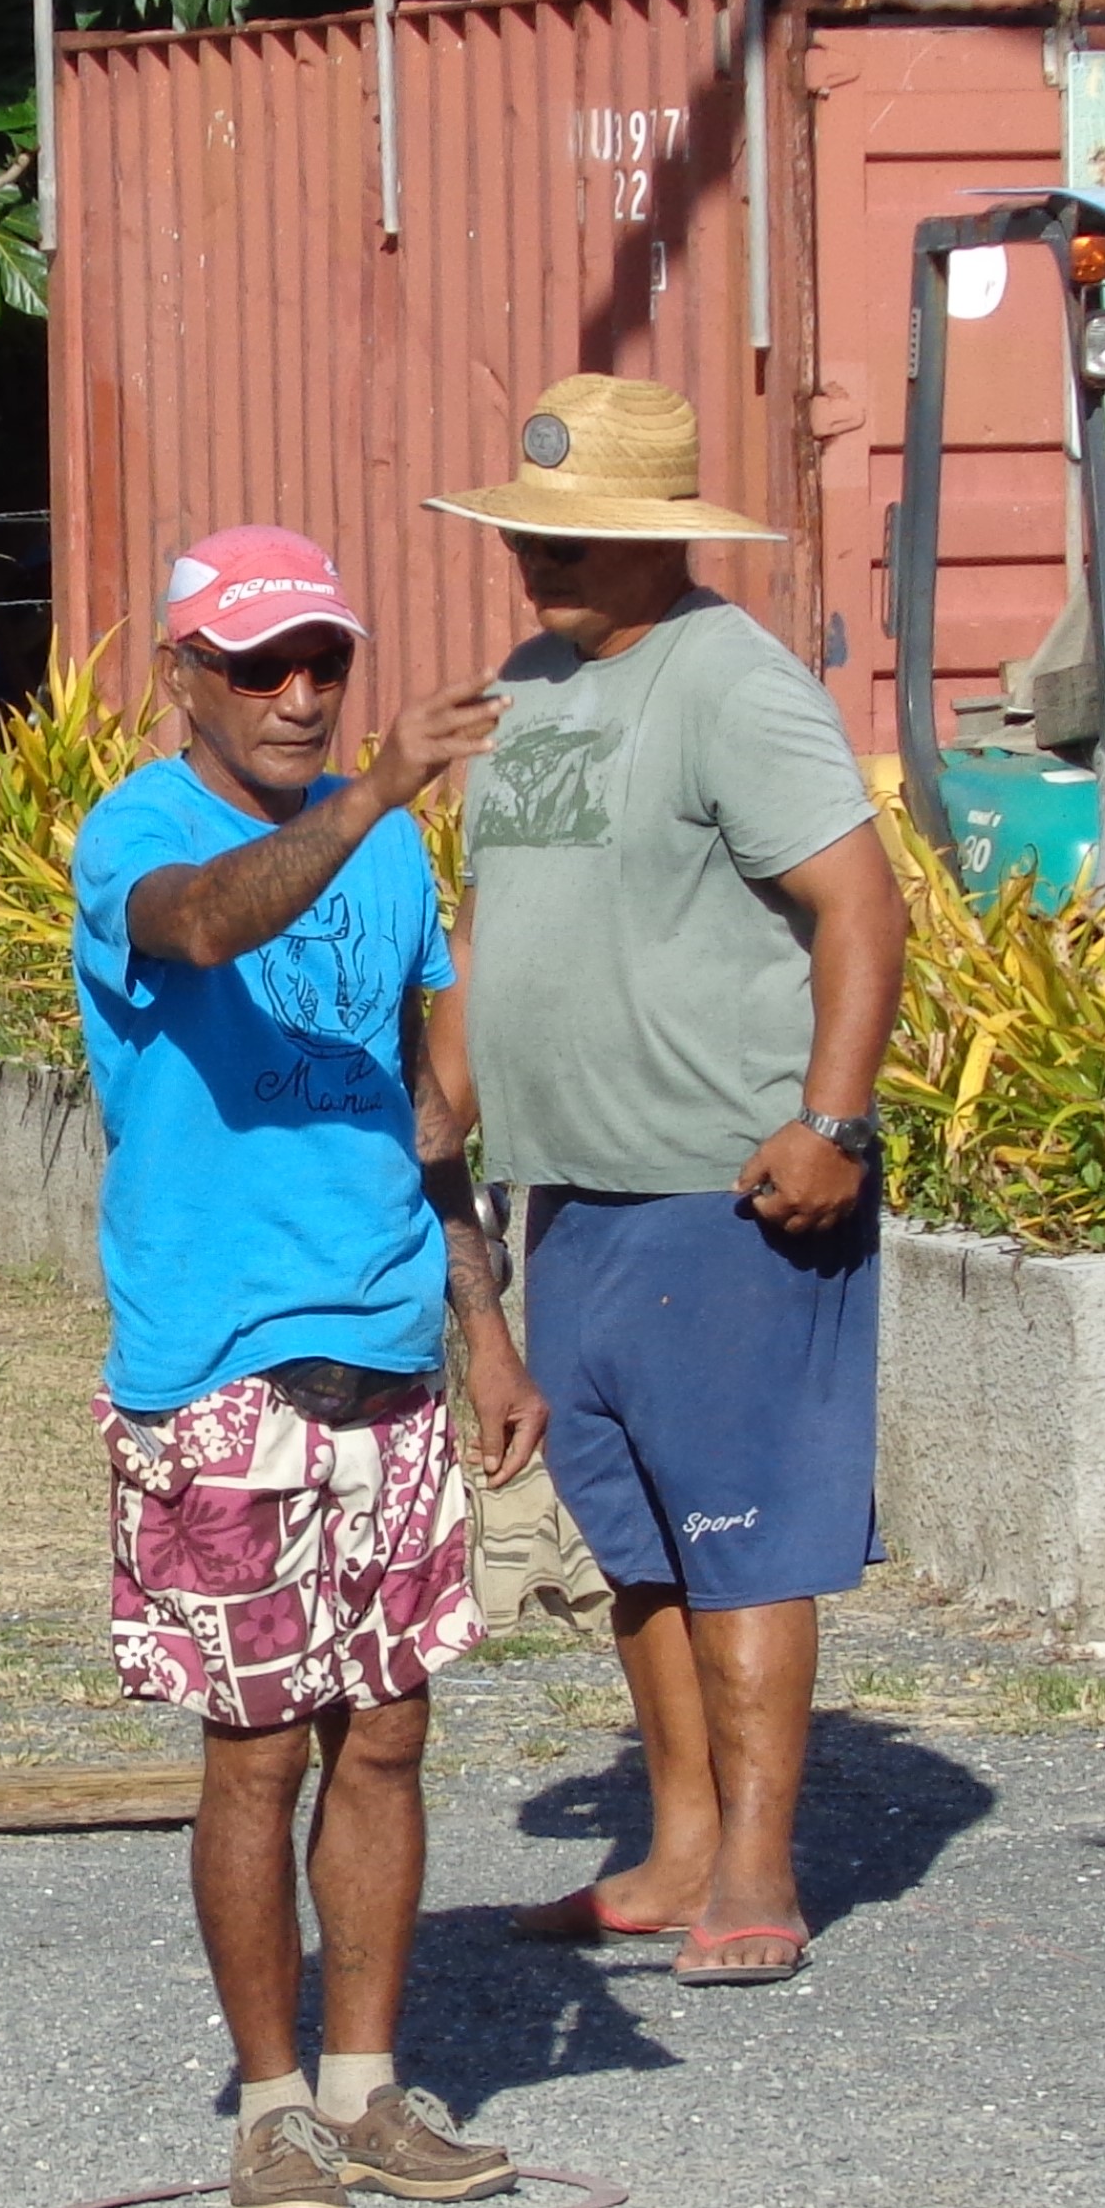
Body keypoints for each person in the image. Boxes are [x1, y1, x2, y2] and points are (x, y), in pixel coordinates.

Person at [71, 524, 536, 2208]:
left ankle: (365, 2084)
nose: (295, 693)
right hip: (214, 1368)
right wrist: (366, 798)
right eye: (256, 663)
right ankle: (265, 2103)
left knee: (391, 1731)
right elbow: (198, 928)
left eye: (319, 662)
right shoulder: (141, 831)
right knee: (254, 1743)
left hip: (386, 1351)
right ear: (180, 675)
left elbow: (424, 1116)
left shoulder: (394, 861)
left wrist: (478, 1322)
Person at [429, 374, 904, 1990]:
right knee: (635, 1542)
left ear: (660, 540)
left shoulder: (729, 682)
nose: (539, 562)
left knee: (740, 1533)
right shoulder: (528, 679)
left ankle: (757, 1863)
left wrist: (825, 1119)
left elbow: (859, 901)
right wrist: (448, 1102)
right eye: (529, 532)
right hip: (571, 1192)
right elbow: (491, 923)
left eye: (576, 537)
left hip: (729, 1189)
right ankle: (675, 1841)